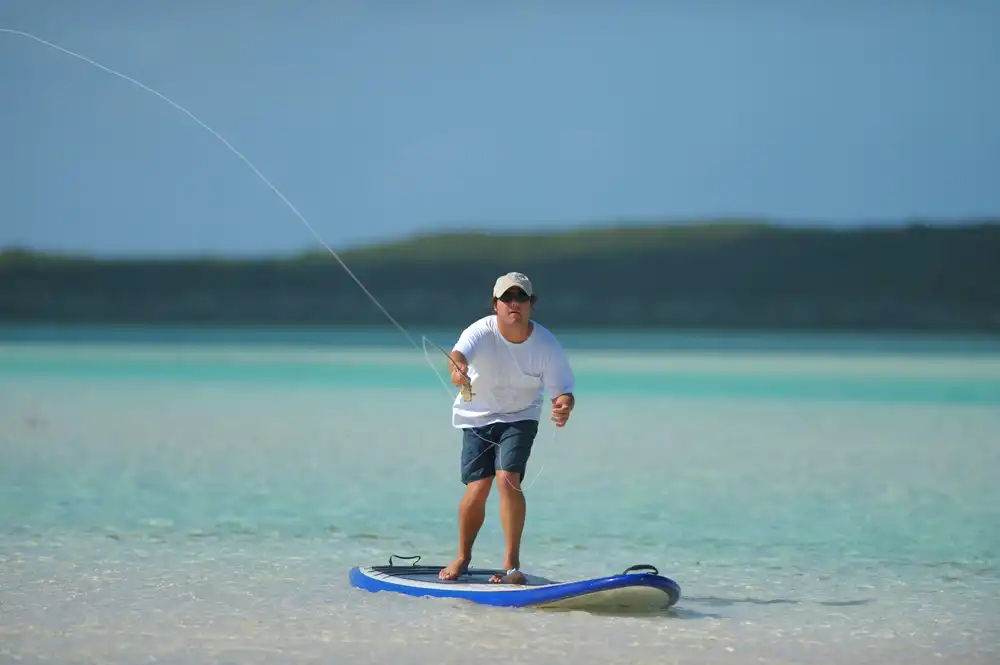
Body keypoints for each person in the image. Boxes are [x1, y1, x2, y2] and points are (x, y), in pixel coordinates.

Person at [438, 271, 576, 584]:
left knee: (508, 480)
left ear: (531, 304)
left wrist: (564, 405)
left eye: (521, 298)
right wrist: (457, 369)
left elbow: (563, 391)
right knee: (478, 487)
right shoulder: (481, 331)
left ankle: (511, 565)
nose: (514, 304)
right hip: (477, 417)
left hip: (520, 416)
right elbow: (458, 355)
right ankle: (462, 557)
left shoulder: (546, 345)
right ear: (496, 305)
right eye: (507, 298)